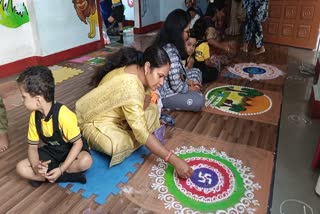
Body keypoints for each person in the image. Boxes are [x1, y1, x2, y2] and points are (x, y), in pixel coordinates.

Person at [75, 45, 193, 179]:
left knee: (153, 110)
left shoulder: (139, 70)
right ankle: (142, 136)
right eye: (160, 76)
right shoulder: (131, 86)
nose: (162, 82)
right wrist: (175, 160)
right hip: (95, 122)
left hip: (121, 118)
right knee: (116, 145)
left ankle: (140, 134)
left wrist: (135, 122)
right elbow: (141, 125)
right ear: (148, 67)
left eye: (164, 78)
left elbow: (147, 99)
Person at [16, 66, 93, 187]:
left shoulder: (64, 115)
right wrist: (37, 168)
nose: (22, 100)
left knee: (85, 161)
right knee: (21, 167)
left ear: (38, 100)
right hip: (52, 151)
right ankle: (66, 176)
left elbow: (78, 144)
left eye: (24, 97)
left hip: (71, 148)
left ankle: (52, 174)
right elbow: (32, 148)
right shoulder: (34, 117)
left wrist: (61, 169)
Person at [152, 9, 205, 112]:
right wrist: (190, 88)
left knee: (196, 71)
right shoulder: (170, 52)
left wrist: (189, 82)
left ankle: (191, 88)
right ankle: (166, 104)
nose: (188, 35)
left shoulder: (168, 44)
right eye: (187, 31)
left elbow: (178, 75)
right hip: (166, 94)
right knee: (199, 100)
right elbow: (176, 85)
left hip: (173, 85)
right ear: (178, 31)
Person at [193, 18, 220, 83]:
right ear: (206, 31)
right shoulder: (205, 45)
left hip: (193, 69)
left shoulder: (192, 41)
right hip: (202, 72)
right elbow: (207, 63)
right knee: (215, 71)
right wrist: (213, 63)